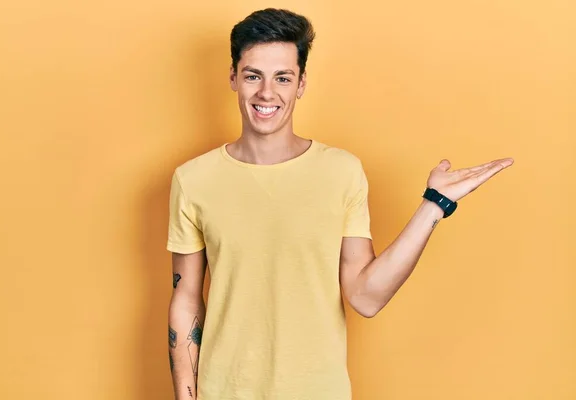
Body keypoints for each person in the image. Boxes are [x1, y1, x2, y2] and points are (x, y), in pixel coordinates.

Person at [166, 8, 513, 400]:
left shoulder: (341, 172)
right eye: (252, 76)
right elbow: (186, 298)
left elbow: (366, 296)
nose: (267, 92)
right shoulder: (193, 180)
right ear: (233, 78)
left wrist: (435, 204)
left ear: (301, 84)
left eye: (283, 77)